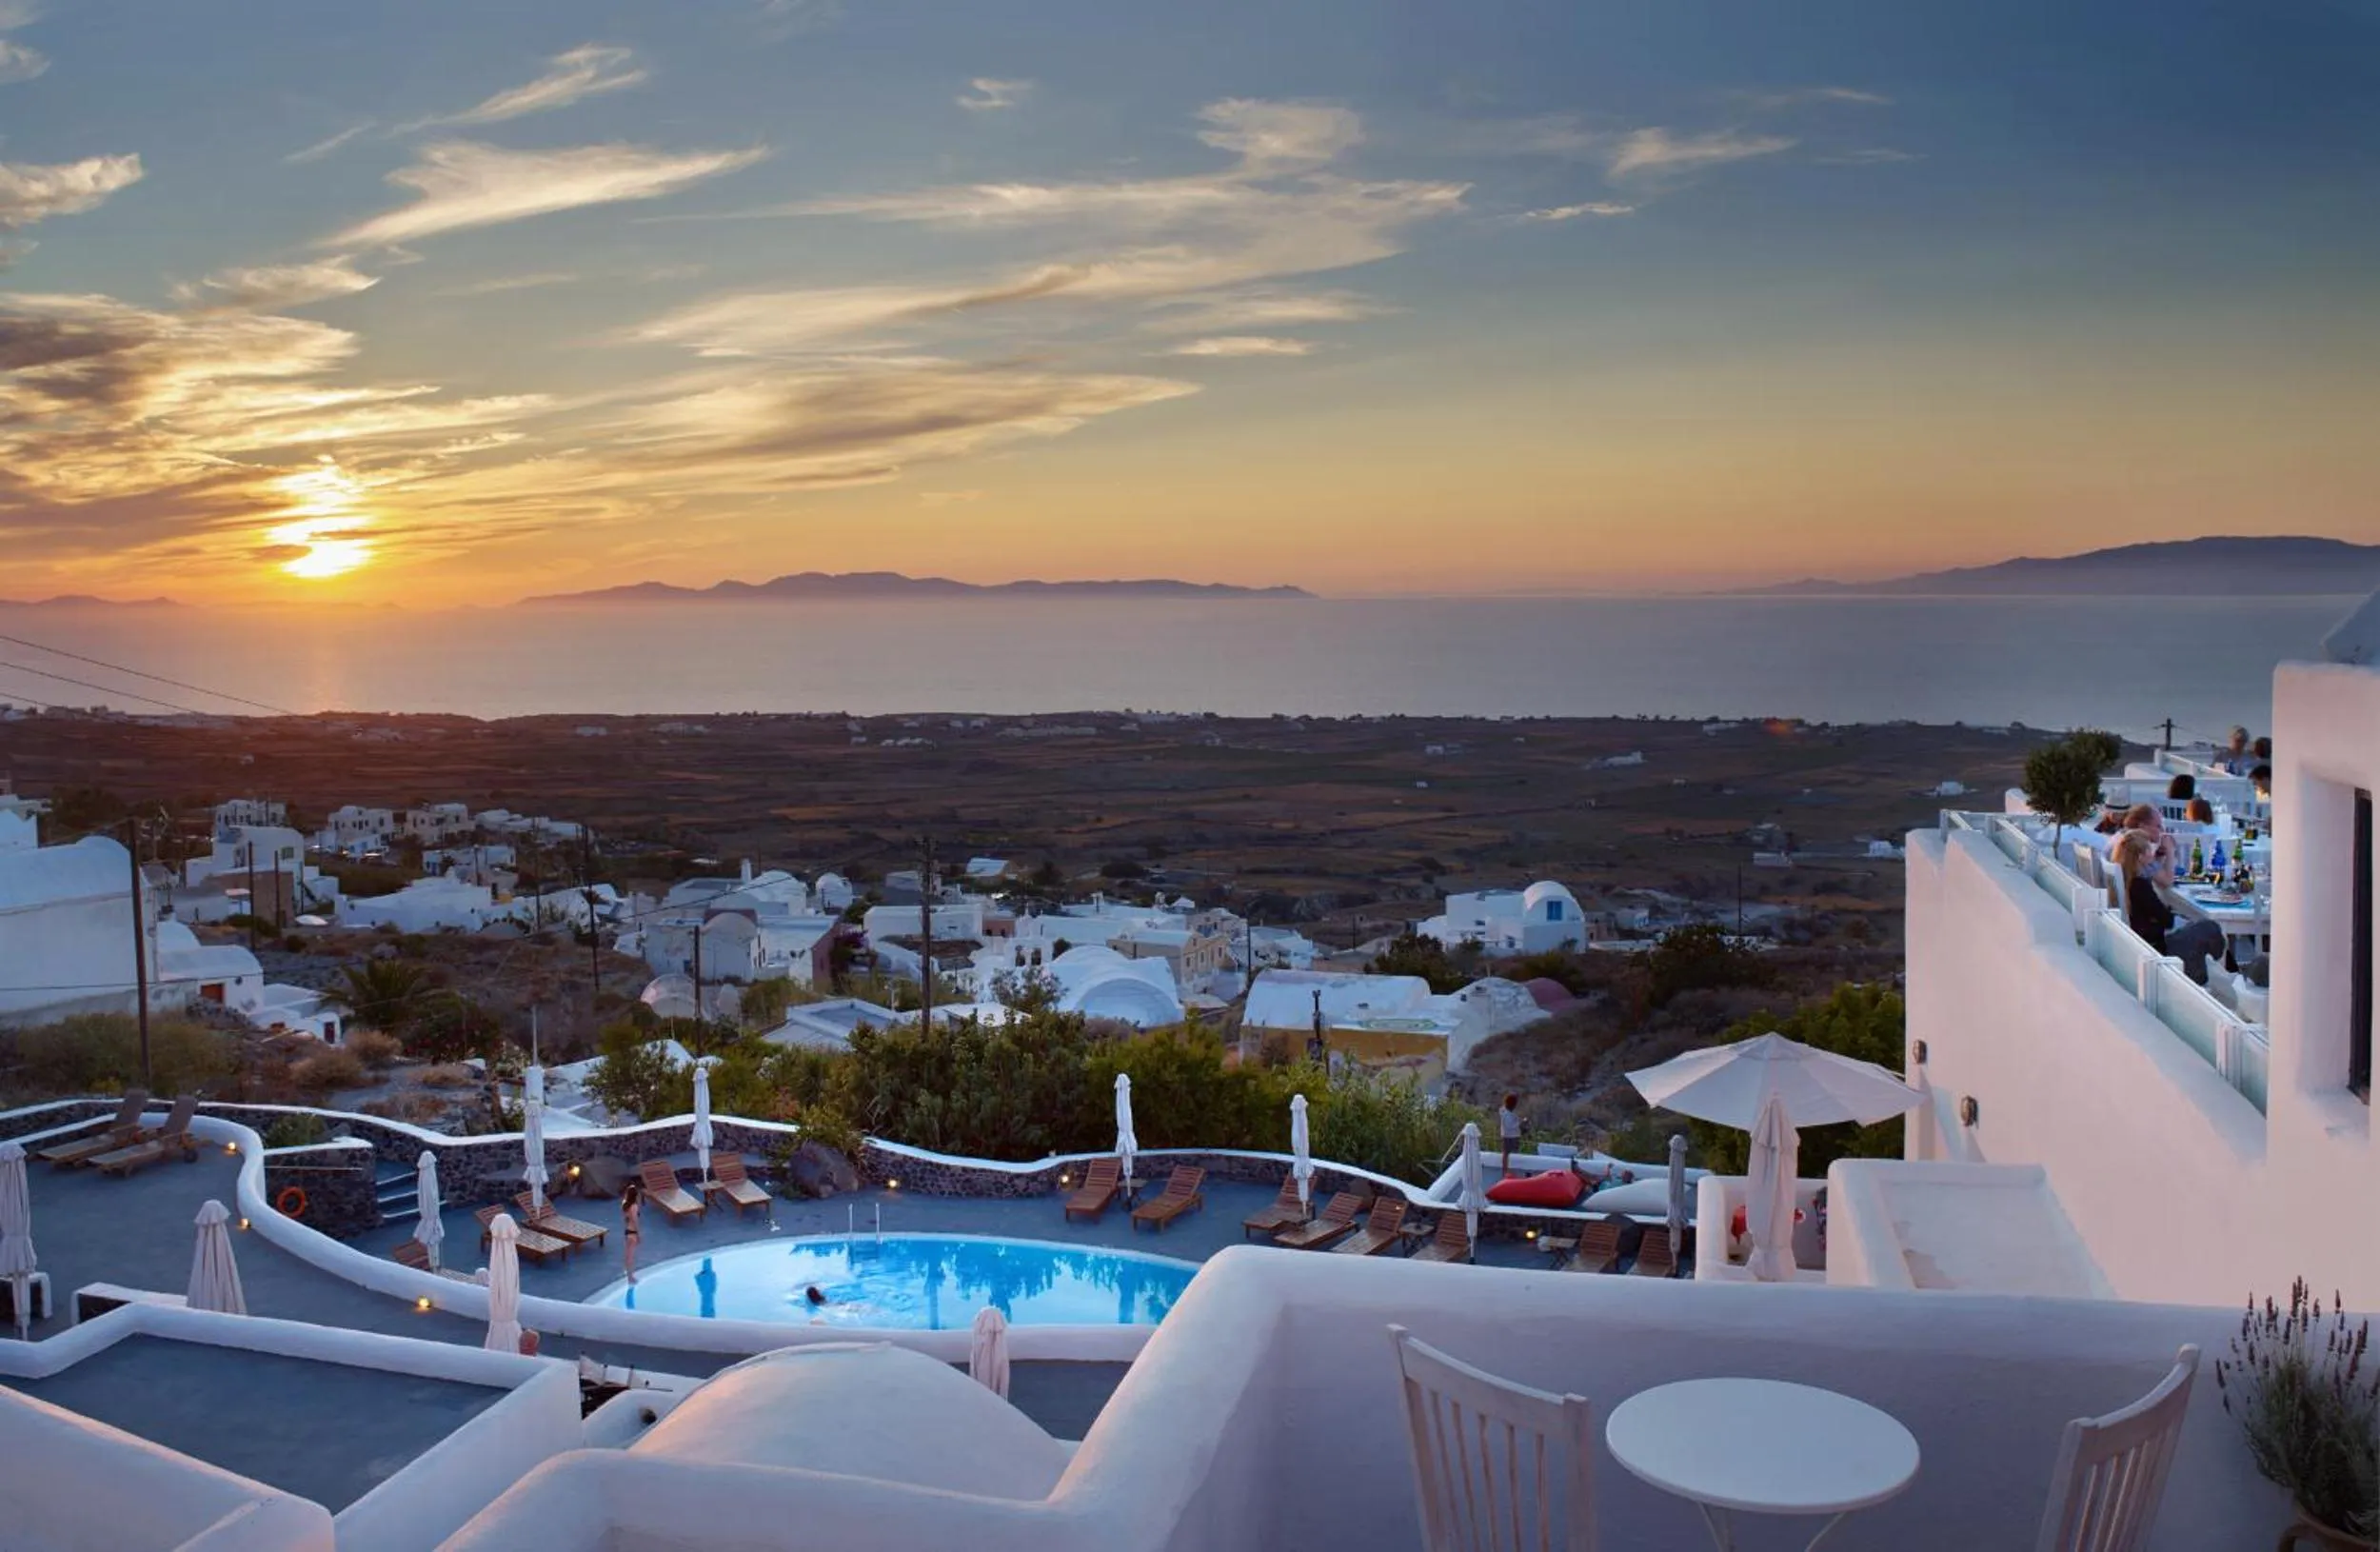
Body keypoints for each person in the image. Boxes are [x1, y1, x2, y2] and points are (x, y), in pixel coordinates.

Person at [2113, 831, 2226, 985]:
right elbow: (2166, 920)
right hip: (2158, 946)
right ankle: (2213, 977)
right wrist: (2188, 921)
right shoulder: (2139, 885)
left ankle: (2215, 972)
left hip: (2145, 941)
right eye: (2148, 849)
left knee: (2201, 926)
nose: (2151, 852)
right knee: (2211, 927)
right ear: (2140, 856)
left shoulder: (2128, 879)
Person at [620, 1179, 643, 1282]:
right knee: (631, 1256)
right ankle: (630, 1277)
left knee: (627, 1254)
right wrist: (639, 1235)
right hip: (632, 1233)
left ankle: (627, 1272)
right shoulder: (634, 1207)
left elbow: (627, 1219)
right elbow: (635, 1221)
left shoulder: (625, 1205)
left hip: (627, 1231)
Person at [1497, 1093, 1522, 1173]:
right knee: (1510, 1154)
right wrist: (1521, 1123)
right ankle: (1508, 1171)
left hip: (1507, 1136)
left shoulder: (1504, 1111)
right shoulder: (1507, 1114)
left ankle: (1506, 1170)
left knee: (1506, 1154)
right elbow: (1510, 1125)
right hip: (1511, 1137)